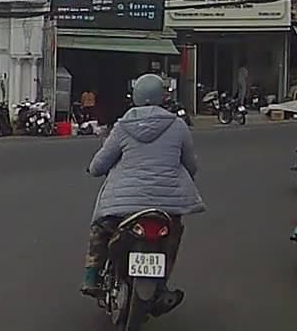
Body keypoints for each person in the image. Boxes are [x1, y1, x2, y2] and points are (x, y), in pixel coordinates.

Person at [82, 73, 205, 307]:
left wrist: (92, 169)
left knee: (101, 228)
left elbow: (99, 165)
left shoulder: (122, 126)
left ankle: (91, 276)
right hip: (167, 206)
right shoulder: (178, 126)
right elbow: (191, 165)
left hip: (123, 206)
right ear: (162, 97)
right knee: (172, 236)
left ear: (135, 96)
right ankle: (162, 284)